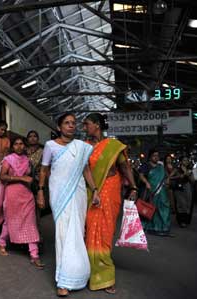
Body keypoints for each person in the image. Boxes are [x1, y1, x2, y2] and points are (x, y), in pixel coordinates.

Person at [37, 112, 100, 297]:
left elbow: (86, 169)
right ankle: (63, 281)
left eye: (73, 123)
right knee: (63, 235)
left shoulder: (81, 146)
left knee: (77, 233)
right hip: (59, 195)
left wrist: (95, 190)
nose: (71, 126)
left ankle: (78, 274)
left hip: (78, 193)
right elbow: (44, 169)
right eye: (67, 123)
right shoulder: (50, 146)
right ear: (59, 127)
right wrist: (40, 191)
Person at [82, 113, 138, 294]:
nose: (84, 128)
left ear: (97, 125)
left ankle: (105, 276)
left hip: (111, 191)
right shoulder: (85, 146)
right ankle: (87, 272)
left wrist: (134, 187)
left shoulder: (113, 146)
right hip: (91, 192)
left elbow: (125, 167)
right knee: (90, 230)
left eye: (87, 124)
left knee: (105, 233)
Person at [0, 137, 44, 269]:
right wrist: (21, 178)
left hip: (26, 196)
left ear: (24, 146)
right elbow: (3, 176)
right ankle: (1, 244)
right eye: (16, 144)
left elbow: (30, 176)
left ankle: (34, 255)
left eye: (21, 144)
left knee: (30, 223)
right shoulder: (8, 159)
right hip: (12, 194)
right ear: (12, 147)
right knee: (9, 221)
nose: (19, 146)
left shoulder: (27, 160)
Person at [138, 149, 171, 236]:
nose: (156, 157)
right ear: (150, 157)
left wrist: (167, 180)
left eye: (157, 156)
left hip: (162, 192)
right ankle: (151, 227)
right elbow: (141, 175)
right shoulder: (146, 165)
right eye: (154, 156)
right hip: (151, 191)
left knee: (164, 207)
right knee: (152, 209)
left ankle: (164, 227)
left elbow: (166, 176)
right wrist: (146, 183)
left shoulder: (161, 166)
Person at [26, 130, 45, 240]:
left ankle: (37, 238)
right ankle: (25, 238)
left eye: (35, 136)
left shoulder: (42, 152)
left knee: (36, 211)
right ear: (27, 139)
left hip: (37, 184)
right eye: (30, 136)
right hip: (24, 184)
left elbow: (45, 169)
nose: (32, 138)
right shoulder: (24, 151)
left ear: (38, 139)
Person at [171, 157, 195, 227]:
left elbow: (193, 181)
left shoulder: (189, 170)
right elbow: (170, 177)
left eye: (187, 160)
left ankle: (186, 220)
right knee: (181, 204)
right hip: (179, 188)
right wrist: (179, 176)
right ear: (181, 161)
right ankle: (181, 221)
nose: (186, 162)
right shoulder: (177, 169)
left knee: (188, 203)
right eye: (184, 160)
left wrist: (189, 175)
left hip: (187, 188)